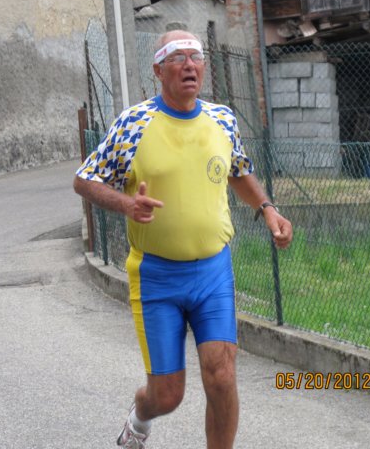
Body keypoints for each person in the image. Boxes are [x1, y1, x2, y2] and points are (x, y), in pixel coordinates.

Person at [73, 30, 293, 449]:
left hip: (213, 271)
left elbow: (239, 171)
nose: (190, 64)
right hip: (156, 276)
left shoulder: (223, 120)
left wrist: (267, 208)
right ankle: (140, 419)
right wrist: (127, 205)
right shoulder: (134, 123)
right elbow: (85, 180)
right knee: (167, 395)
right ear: (158, 70)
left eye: (196, 56)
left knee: (222, 376)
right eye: (177, 57)